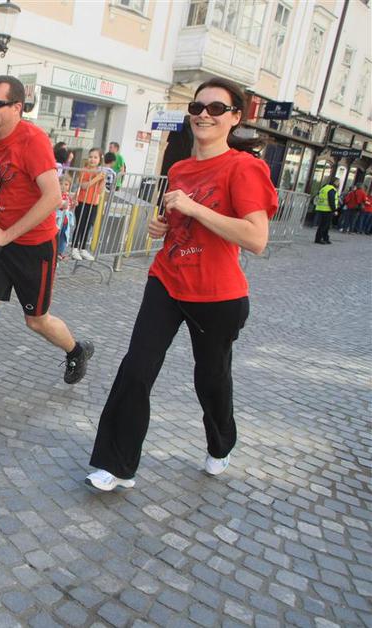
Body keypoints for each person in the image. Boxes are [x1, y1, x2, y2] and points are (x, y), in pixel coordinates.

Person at [85, 77, 277, 492]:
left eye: (215, 109)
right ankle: (116, 465)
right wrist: (163, 226)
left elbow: (256, 238)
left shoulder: (244, 168)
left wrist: (193, 208)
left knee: (211, 378)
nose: (203, 115)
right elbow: (179, 223)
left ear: (235, 118)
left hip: (217, 294)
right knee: (137, 368)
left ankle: (221, 444)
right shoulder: (179, 169)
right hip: (167, 281)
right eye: (197, 107)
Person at [0, 75, 95, 414]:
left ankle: (76, 350)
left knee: (36, 320)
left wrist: (8, 235)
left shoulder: (33, 141)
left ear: (17, 107)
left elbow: (52, 197)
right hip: (0, 243)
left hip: (35, 246)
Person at [68, 147, 105, 261]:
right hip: (82, 201)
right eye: (90, 157)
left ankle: (83, 249)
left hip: (94, 203)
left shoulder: (100, 172)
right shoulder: (84, 170)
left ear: (99, 159)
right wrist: (96, 178)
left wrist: (103, 179)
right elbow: (84, 186)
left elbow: (100, 190)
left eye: (95, 157)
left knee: (88, 226)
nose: (92, 159)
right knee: (80, 225)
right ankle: (74, 248)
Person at [56, 175, 76, 261]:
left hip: (65, 221)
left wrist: (73, 204)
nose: (63, 186)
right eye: (61, 184)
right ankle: (55, 253)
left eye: (66, 184)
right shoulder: (57, 194)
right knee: (56, 237)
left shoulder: (68, 196)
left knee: (63, 237)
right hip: (58, 220)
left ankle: (60, 253)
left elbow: (69, 207)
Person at [313, 177, 339, 244]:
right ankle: (319, 239)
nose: (338, 183)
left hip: (321, 208)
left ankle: (325, 238)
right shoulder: (331, 189)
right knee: (324, 225)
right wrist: (334, 210)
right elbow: (331, 201)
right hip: (327, 209)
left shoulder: (324, 188)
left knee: (325, 225)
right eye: (338, 182)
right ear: (334, 182)